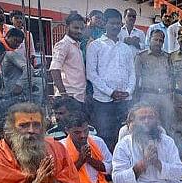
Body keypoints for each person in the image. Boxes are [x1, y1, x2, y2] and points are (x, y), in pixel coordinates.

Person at [86, 8, 136, 151]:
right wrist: (110, 92)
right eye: (112, 23)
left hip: (124, 101)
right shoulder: (95, 45)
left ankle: (123, 165)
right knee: (105, 136)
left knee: (125, 134)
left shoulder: (125, 48)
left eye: (118, 23)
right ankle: (107, 170)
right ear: (105, 24)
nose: (115, 26)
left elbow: (132, 73)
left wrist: (128, 92)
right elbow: (91, 74)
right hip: (103, 101)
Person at [61, 111, 112, 183]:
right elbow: (62, 179)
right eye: (77, 133)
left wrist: (89, 160)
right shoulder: (61, 147)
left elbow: (110, 169)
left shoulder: (98, 142)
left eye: (85, 131)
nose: (83, 136)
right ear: (67, 131)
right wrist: (80, 161)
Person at [134, 30, 173, 136]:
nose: (158, 42)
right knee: (148, 125)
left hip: (165, 97)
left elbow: (171, 77)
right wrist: (136, 98)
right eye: (155, 39)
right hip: (148, 96)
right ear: (150, 39)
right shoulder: (141, 56)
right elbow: (136, 79)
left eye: (161, 41)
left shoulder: (167, 57)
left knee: (165, 125)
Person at [0, 29, 38, 117]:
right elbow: (3, 74)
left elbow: (29, 68)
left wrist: (20, 84)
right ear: (7, 37)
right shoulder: (4, 53)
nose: (17, 45)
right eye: (15, 41)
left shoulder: (10, 54)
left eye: (20, 43)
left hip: (18, 96)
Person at [49, 13, 86, 105]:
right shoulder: (63, 44)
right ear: (67, 27)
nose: (79, 31)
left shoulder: (76, 46)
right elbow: (54, 69)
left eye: (81, 28)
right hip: (69, 96)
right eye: (76, 28)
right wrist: (63, 94)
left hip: (79, 96)